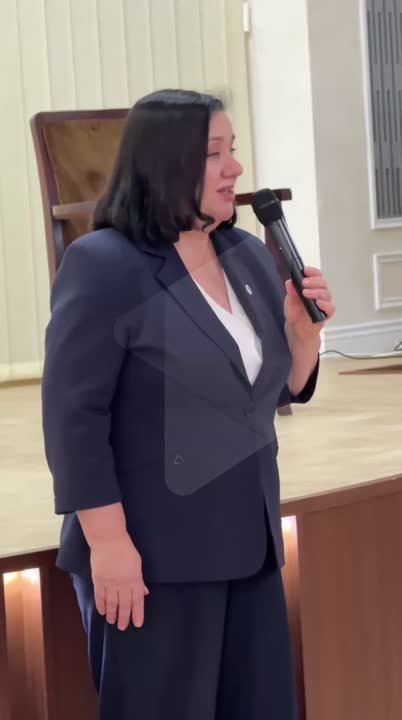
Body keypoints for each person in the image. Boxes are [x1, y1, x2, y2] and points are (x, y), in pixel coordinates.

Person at [41, 89, 335, 719]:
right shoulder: (104, 265)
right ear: (165, 162)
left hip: (250, 549)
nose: (235, 168)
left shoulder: (246, 254)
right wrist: (109, 545)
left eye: (234, 151)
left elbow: (271, 388)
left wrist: (303, 337)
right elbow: (74, 419)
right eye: (215, 154)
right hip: (153, 561)